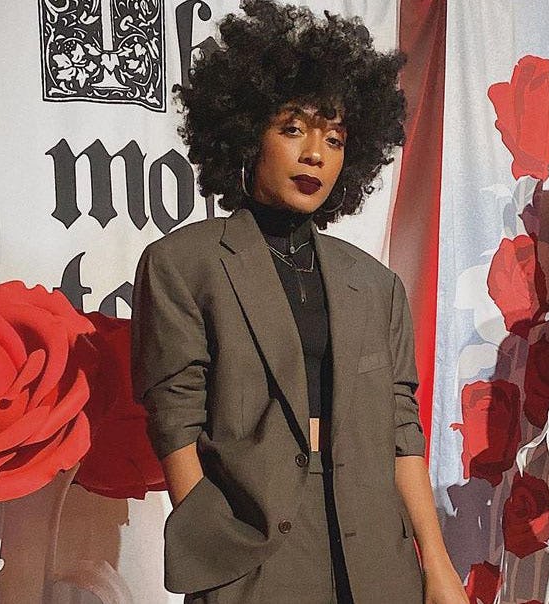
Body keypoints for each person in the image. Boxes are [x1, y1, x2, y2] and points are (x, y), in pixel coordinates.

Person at [131, 2, 467, 602]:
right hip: (252, 545)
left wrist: (436, 562)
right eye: (292, 130)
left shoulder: (376, 284)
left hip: (373, 548)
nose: (315, 154)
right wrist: (213, 543)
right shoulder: (183, 264)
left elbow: (401, 429)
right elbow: (174, 416)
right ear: (244, 132)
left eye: (334, 139)